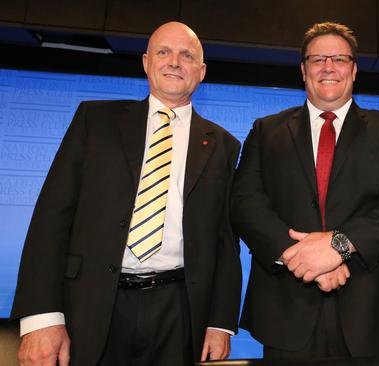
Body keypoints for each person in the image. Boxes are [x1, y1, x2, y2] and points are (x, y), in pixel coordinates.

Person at [11, 21, 242, 365]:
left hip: (179, 312)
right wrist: (42, 318)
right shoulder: (95, 120)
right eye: (164, 52)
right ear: (146, 62)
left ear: (202, 71)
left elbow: (226, 241)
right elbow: (51, 217)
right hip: (91, 305)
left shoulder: (223, 144)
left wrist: (220, 323)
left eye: (187, 55)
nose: (175, 62)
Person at [231, 22, 379, 359]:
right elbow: (244, 202)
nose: (328, 67)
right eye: (317, 59)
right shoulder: (266, 130)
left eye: (339, 59)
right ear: (303, 70)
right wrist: (301, 258)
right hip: (287, 308)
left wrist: (340, 245)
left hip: (376, 308)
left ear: (353, 70)